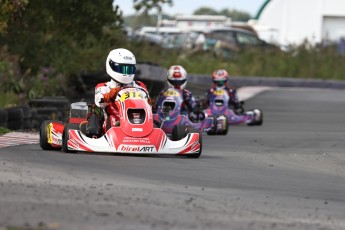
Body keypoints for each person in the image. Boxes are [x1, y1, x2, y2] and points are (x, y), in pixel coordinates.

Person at [87, 48, 149, 135]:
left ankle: (153, 135)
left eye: (129, 69)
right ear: (111, 66)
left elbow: (147, 103)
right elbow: (99, 102)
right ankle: (109, 136)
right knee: (108, 118)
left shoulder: (139, 85)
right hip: (115, 121)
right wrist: (109, 96)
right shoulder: (104, 87)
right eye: (122, 69)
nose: (126, 73)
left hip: (139, 119)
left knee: (154, 119)